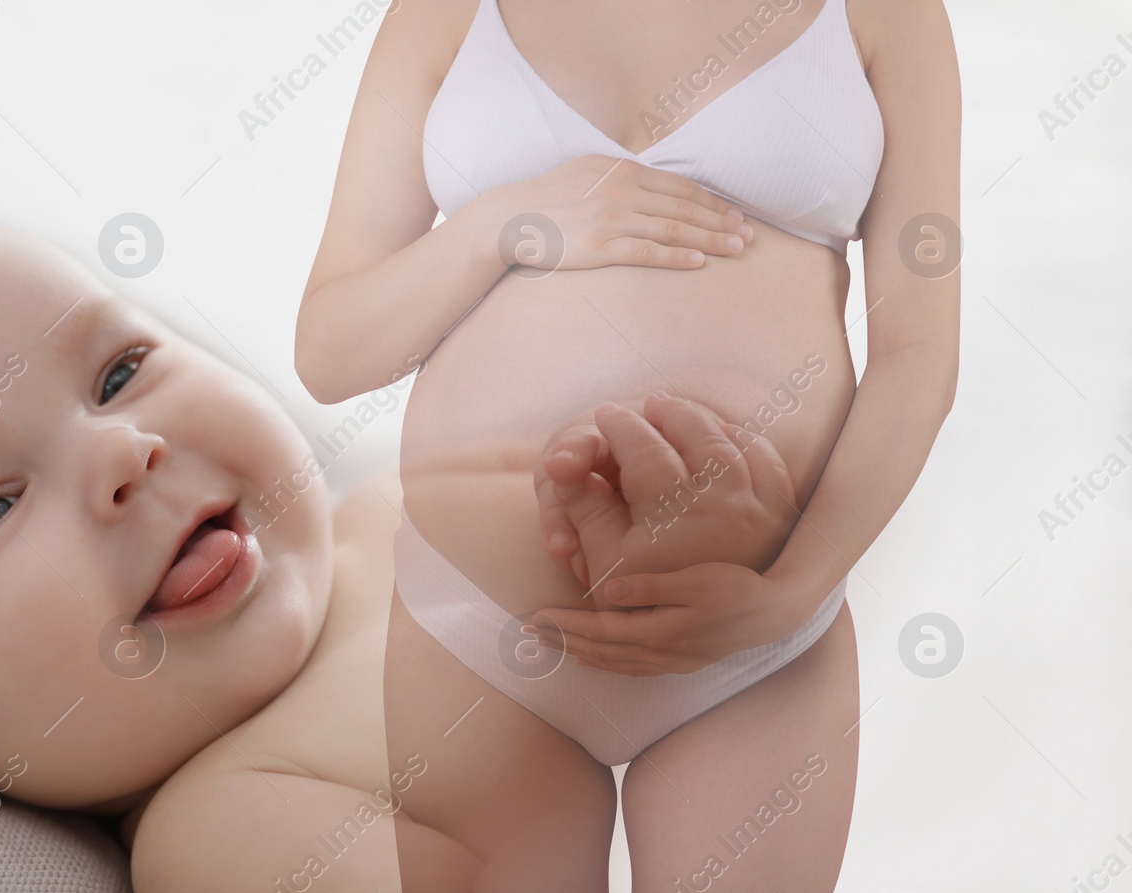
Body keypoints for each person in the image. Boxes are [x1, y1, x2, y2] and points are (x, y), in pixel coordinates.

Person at [0, 220, 810, 890]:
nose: (123, 450)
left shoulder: (404, 498)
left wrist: (698, 512)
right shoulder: (220, 823)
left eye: (116, 374)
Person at [295, 0, 960, 887]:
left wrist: (791, 593)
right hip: (474, 627)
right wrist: (509, 222)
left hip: (754, 649)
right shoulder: (441, 15)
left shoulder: (887, 15)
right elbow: (333, 348)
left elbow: (920, 353)